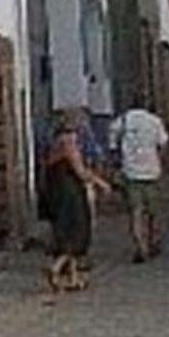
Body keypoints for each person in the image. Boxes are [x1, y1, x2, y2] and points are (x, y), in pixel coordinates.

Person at [41, 107, 113, 292]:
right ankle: (56, 267)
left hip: (57, 188)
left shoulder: (55, 141)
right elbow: (79, 171)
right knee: (76, 230)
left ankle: (73, 278)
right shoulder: (69, 141)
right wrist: (101, 183)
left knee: (67, 229)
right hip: (69, 191)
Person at [109, 95, 169, 263]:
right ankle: (153, 241)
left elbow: (113, 148)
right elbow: (163, 145)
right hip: (151, 171)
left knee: (135, 212)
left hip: (131, 172)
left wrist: (117, 167)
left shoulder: (121, 121)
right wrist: (159, 161)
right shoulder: (155, 121)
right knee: (153, 212)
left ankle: (140, 247)